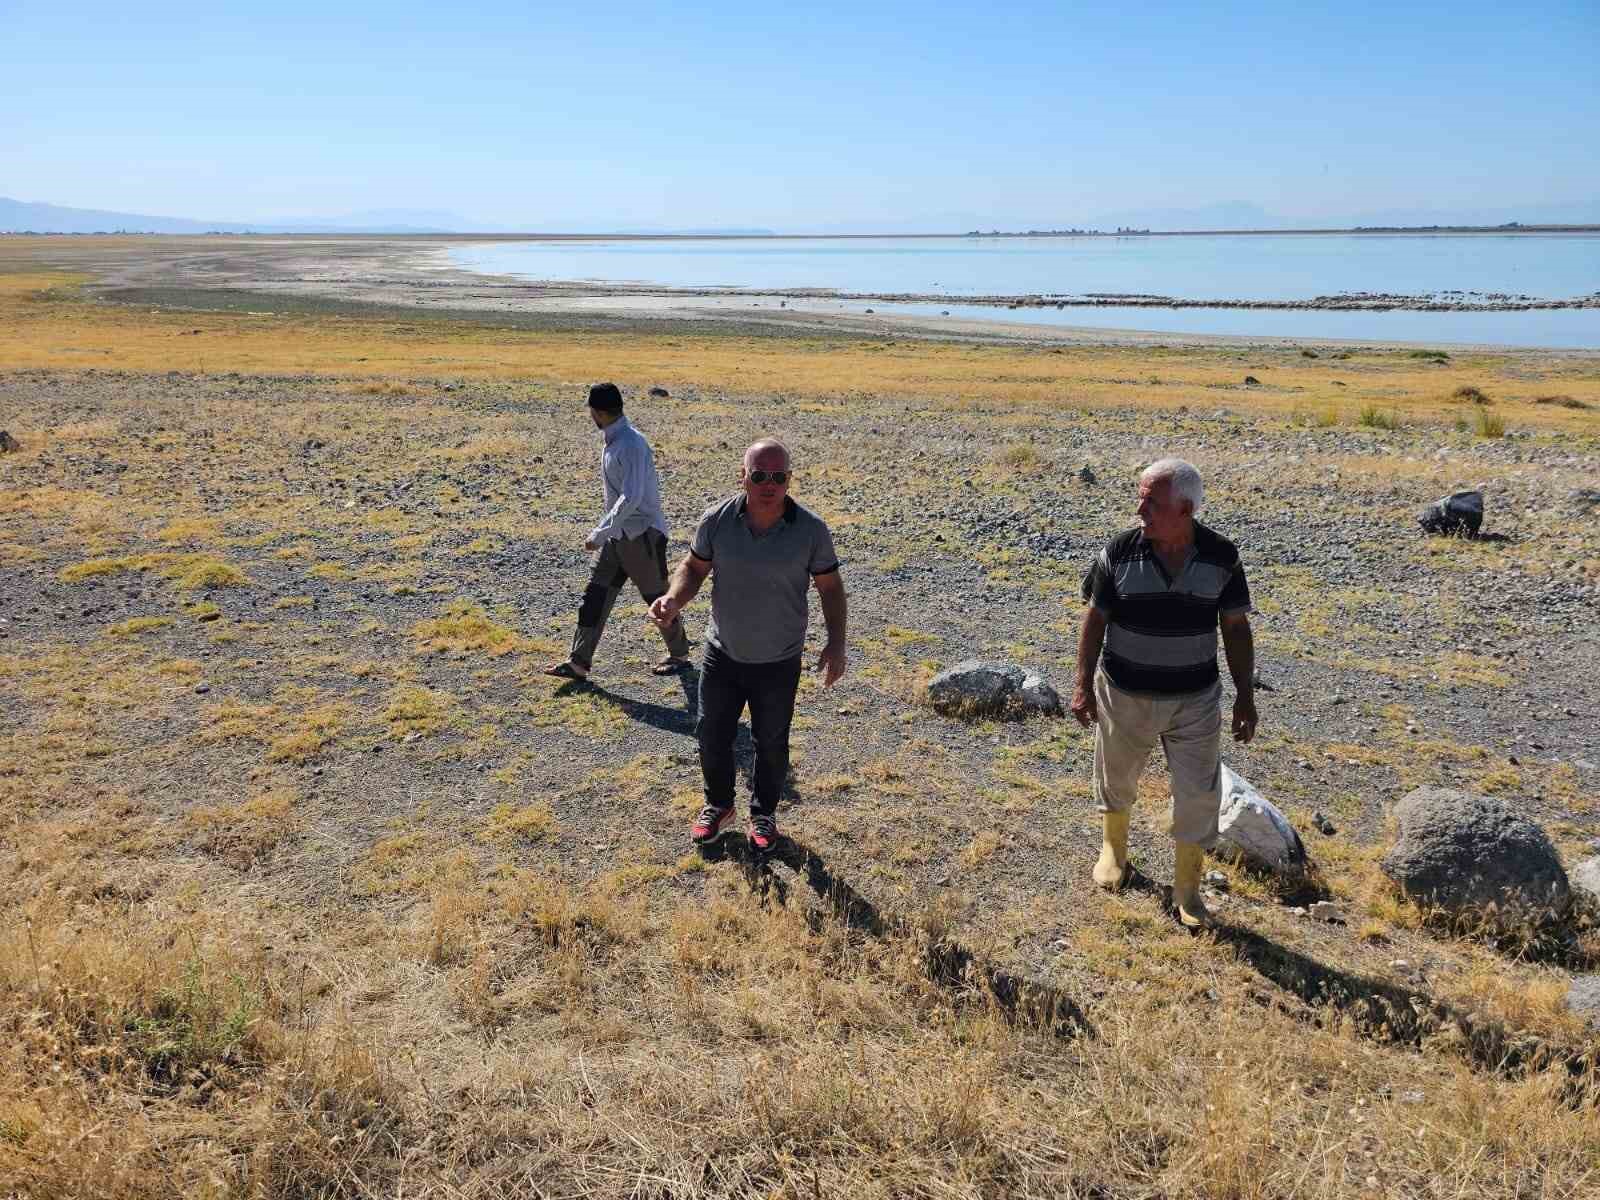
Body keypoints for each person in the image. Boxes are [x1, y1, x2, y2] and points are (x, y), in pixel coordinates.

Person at [1071, 457, 1258, 928]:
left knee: (1198, 792)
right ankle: (1114, 851)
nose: (1141, 509)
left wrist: (1245, 696)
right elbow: (1095, 620)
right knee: (1116, 776)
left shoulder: (1222, 557)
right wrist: (1082, 686)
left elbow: (1236, 628)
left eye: (1152, 502)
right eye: (1141, 498)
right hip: (1124, 692)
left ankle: (1188, 890)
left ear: (1186, 509)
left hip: (1194, 699)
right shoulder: (1118, 552)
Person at [649, 439, 847, 853]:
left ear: (789, 479)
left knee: (771, 741)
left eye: (778, 476)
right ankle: (719, 806)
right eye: (759, 475)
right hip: (723, 652)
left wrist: (836, 643)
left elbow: (830, 587)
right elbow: (694, 568)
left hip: (779, 659)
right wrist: (673, 599)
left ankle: (763, 815)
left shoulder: (810, 530)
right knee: (710, 733)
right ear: (742, 476)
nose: (768, 484)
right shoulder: (717, 521)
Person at [544, 383, 692, 681]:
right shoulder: (615, 439)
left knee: (658, 598)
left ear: (598, 412)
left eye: (591, 411)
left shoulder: (631, 444)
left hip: (641, 537)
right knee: (595, 596)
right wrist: (608, 532)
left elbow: (632, 496)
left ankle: (679, 655)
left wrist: (600, 532)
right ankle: (578, 662)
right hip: (618, 536)